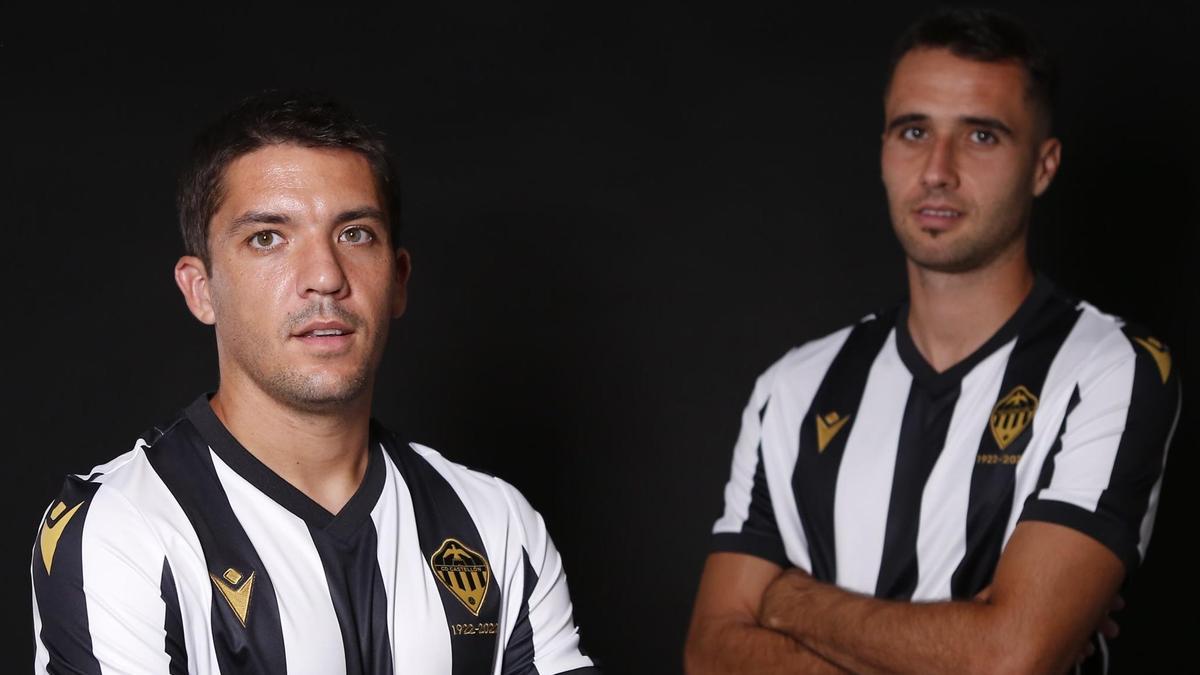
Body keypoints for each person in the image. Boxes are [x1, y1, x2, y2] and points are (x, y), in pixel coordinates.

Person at [31, 92, 599, 675]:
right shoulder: (125, 527)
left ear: (398, 279)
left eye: (354, 234)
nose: (325, 277)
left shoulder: (497, 523)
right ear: (201, 289)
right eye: (268, 238)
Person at [685, 8, 1180, 675]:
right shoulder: (794, 389)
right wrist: (958, 639)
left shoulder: (1109, 366)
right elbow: (711, 653)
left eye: (981, 135)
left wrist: (788, 599)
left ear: (1043, 165)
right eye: (913, 130)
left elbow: (1009, 657)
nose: (937, 169)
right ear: (884, 150)